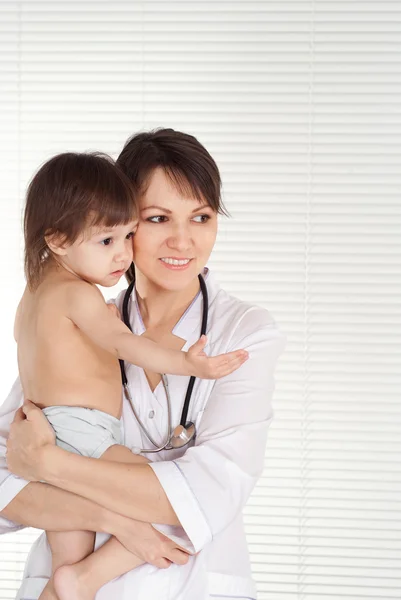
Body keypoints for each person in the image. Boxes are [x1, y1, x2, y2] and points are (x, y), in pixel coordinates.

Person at [0, 128, 286, 600]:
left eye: (201, 216)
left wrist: (50, 464)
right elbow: (7, 478)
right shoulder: (82, 324)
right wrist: (111, 517)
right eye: (156, 218)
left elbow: (208, 495)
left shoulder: (245, 333)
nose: (182, 240)